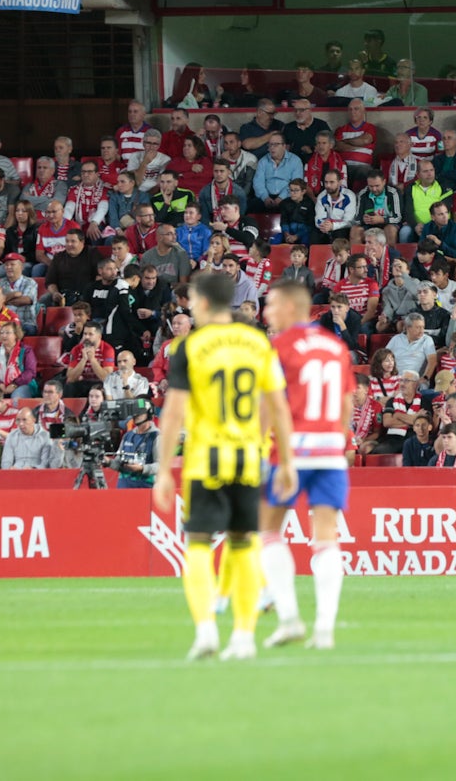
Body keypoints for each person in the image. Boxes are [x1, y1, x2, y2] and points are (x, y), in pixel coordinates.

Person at [152, 271, 297, 662]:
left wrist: (164, 468)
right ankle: (245, 635)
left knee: (198, 543)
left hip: (205, 458)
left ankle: (205, 631)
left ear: (200, 303)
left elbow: (174, 412)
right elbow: (278, 407)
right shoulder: (257, 342)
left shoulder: (190, 346)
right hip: (249, 457)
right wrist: (284, 460)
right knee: (244, 541)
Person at [257, 280, 354, 651]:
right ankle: (325, 629)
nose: (266, 313)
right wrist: (338, 442)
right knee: (326, 536)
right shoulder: (335, 346)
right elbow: (347, 404)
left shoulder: (279, 347)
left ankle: (290, 619)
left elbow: (272, 404)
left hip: (291, 448)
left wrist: (262, 447)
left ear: (291, 309)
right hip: (330, 448)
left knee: (268, 531)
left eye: (271, 306)